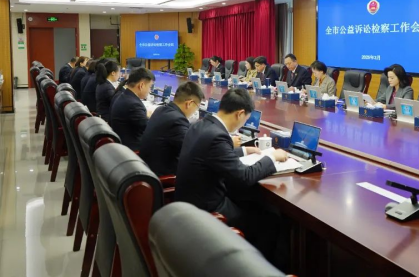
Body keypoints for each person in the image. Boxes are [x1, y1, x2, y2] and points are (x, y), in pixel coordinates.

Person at [176, 88, 288, 267]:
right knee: (270, 220)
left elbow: (214, 154)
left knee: (256, 204)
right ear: (240, 114)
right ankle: (256, 268)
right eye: (246, 119)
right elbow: (244, 177)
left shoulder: (201, 125)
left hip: (190, 202)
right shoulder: (217, 136)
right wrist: (272, 158)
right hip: (208, 210)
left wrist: (244, 150)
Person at [139, 82, 205, 176]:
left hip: (146, 168)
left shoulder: (161, 110)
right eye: (197, 107)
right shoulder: (178, 121)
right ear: (189, 103)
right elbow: (193, 151)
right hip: (162, 177)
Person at [110, 68, 155, 151]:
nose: (150, 91)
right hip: (132, 151)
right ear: (141, 85)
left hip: (122, 146)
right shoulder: (133, 105)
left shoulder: (124, 96)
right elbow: (149, 130)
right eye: (150, 87)